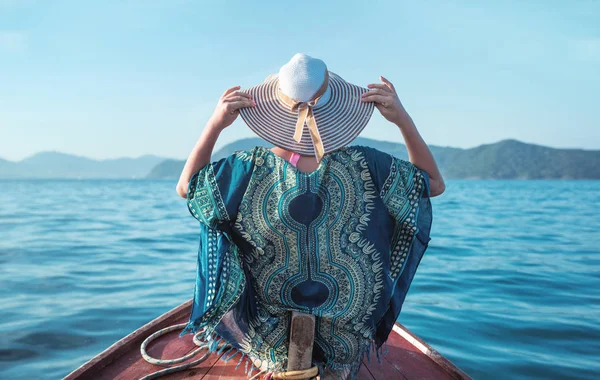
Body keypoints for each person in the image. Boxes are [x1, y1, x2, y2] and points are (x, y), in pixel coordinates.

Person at [175, 53, 445, 379]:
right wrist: (402, 119)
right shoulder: (368, 165)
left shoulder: (246, 169)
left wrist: (215, 124)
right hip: (344, 343)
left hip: (269, 340)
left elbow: (188, 188)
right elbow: (433, 183)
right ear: (335, 109)